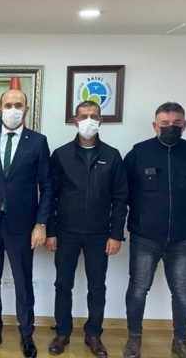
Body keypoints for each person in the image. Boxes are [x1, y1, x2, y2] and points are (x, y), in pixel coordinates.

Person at [123, 102, 186, 358]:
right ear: (155, 125)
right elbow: (123, 191)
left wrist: (184, 211)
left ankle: (181, 341)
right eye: (165, 123)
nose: (170, 127)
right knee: (138, 289)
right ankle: (134, 338)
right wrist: (146, 212)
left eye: (176, 123)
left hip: (182, 238)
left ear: (185, 125)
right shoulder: (139, 153)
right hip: (145, 236)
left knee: (182, 293)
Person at [0, 89, 52, 358]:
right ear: (0, 109)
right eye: (8, 105)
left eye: (18, 105)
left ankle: (26, 334)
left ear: (25, 110)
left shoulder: (38, 142)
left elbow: (47, 186)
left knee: (23, 283)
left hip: (22, 225)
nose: (13, 109)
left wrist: (41, 224)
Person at [46, 101, 128, 357]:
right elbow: (50, 196)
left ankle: (93, 334)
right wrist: (50, 231)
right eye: (83, 116)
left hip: (99, 234)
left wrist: (116, 235)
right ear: (75, 121)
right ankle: (62, 332)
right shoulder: (61, 155)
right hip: (66, 232)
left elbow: (120, 199)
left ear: (100, 121)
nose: (88, 121)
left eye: (93, 116)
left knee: (97, 286)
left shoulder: (112, 156)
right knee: (63, 284)